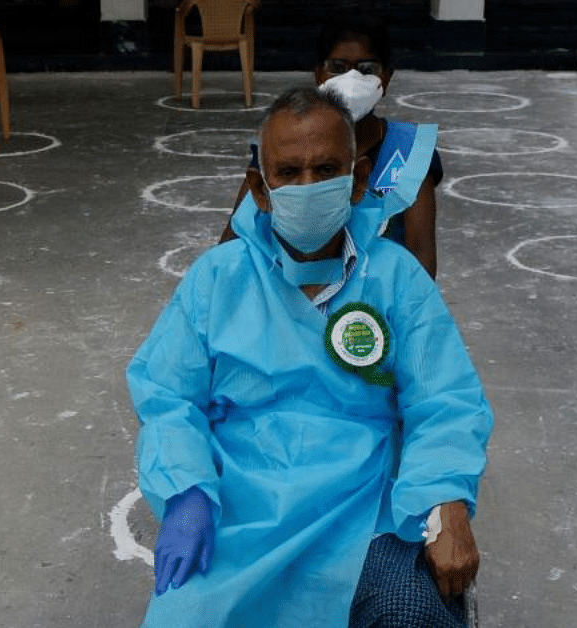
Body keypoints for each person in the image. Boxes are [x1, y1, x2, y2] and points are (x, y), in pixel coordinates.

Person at [128, 86, 492, 627]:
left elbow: (444, 400)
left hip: (366, 510)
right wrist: (185, 491)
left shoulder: (394, 276)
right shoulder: (217, 278)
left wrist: (446, 501)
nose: (308, 186)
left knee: (413, 614)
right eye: (289, 172)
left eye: (326, 170)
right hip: (241, 509)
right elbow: (168, 396)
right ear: (260, 187)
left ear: (359, 178)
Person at [221, 13, 443, 279]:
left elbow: (422, 255)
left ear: (386, 77)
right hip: (289, 297)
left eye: (366, 69)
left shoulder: (411, 151)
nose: (351, 78)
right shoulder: (283, 145)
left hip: (376, 307)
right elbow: (233, 243)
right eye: (337, 66)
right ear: (318, 74)